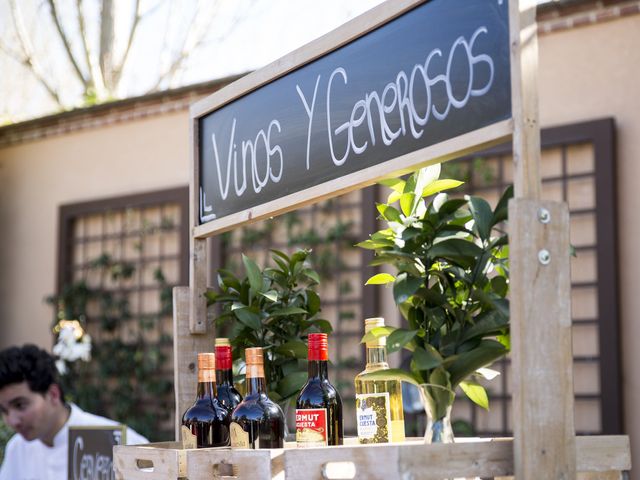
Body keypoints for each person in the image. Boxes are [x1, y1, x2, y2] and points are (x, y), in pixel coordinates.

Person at [0, 344, 148, 479]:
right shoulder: (17, 449)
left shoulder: (117, 442)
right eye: (4, 411)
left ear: (53, 394)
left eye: (20, 405)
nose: (12, 421)